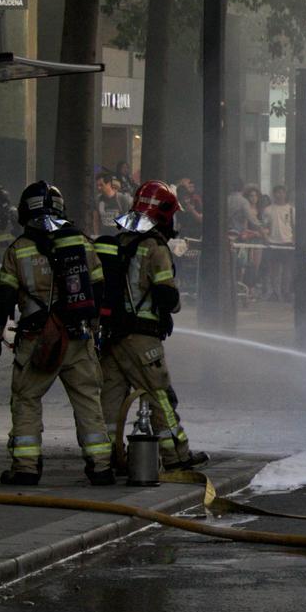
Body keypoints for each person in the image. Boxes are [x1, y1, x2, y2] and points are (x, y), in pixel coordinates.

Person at [0, 182, 112, 485]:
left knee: (27, 399)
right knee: (87, 400)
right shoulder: (81, 243)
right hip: (77, 339)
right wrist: (93, 329)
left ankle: (26, 468)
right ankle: (101, 466)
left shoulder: (19, 249)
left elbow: (4, 296)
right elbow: (97, 289)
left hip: (37, 340)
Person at [97, 181, 207, 472]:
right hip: (142, 338)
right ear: (163, 214)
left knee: (110, 398)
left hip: (112, 335)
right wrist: (172, 305)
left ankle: (104, 459)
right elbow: (166, 296)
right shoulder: (154, 247)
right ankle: (176, 456)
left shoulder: (121, 241)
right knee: (159, 394)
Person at [263, 184, 295, 301]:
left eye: (282, 192)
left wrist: (294, 239)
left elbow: (294, 226)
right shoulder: (268, 210)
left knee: (287, 270)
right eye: (277, 192)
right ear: (274, 194)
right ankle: (275, 293)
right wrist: (266, 238)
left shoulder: (291, 209)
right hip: (273, 242)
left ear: (285, 194)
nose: (279, 194)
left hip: (287, 242)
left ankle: (286, 292)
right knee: (274, 270)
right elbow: (264, 226)